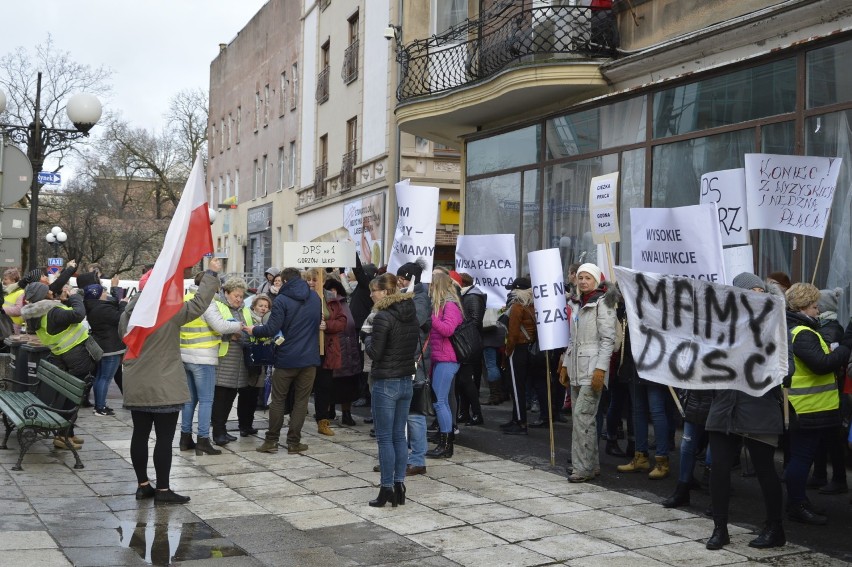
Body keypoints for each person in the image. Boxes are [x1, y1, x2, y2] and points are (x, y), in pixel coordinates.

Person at [119, 258, 221, 504]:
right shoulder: (168, 312)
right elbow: (199, 303)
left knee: (140, 435)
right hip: (164, 385)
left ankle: (143, 485)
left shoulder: (128, 312)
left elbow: (122, 338)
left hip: (136, 383)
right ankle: (163, 490)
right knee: (164, 439)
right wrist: (211, 274)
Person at [704, 272, 785, 550]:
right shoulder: (723, 326)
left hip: (758, 408)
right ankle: (719, 528)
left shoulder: (775, 326)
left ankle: (775, 528)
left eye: (757, 290)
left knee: (765, 471)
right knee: (719, 469)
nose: (754, 295)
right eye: (747, 292)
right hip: (725, 407)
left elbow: (788, 369)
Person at [783, 282, 851, 526]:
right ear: (802, 307)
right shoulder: (802, 333)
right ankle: (797, 505)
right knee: (802, 458)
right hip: (807, 408)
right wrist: (846, 346)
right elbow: (822, 363)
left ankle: (797, 501)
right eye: (814, 307)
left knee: (800, 457)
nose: (818, 312)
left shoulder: (792, 328)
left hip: (804, 407)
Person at [246, 267, 322, 454]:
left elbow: (271, 329)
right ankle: (294, 443)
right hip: (310, 359)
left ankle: (271, 441)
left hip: (286, 358)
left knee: (278, 400)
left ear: (285, 281)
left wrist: (253, 330)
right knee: (301, 401)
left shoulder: (281, 300)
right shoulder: (315, 298)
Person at [21, 279, 99, 450]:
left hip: (64, 355)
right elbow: (78, 315)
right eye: (47, 290)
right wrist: (75, 297)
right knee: (74, 397)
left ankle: (68, 433)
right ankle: (62, 435)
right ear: (44, 295)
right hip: (76, 356)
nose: (51, 290)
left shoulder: (39, 314)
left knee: (72, 395)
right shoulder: (53, 312)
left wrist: (63, 300)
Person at [365, 273, 419, 506]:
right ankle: (399, 485)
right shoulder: (411, 313)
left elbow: (375, 352)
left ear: (385, 292)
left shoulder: (382, 317)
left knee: (385, 438)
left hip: (386, 382)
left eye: (374, 291)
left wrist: (365, 339)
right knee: (398, 436)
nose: (371, 295)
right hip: (406, 380)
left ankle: (387, 488)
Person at [561, 263, 616, 483]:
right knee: (584, 420)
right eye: (580, 277)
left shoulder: (603, 302)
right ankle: (590, 465)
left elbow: (608, 339)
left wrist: (601, 370)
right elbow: (573, 339)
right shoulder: (576, 302)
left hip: (592, 368)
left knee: (583, 418)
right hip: (576, 367)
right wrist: (565, 363)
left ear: (596, 280)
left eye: (588, 278)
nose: (583, 281)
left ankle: (581, 467)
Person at [178, 273, 240, 455]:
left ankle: (185, 437)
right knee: (206, 401)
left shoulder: (185, 298)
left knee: (189, 401)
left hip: (185, 355)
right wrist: (238, 325)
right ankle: (203, 440)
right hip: (203, 357)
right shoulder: (206, 302)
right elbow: (220, 326)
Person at [806, 287, 849, 494]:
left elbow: (828, 359)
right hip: (825, 390)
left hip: (831, 390)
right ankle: (820, 474)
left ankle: (838, 478)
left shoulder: (830, 329)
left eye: (814, 305)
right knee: (823, 435)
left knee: (832, 436)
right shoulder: (822, 326)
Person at [210, 278, 256, 446]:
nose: (239, 299)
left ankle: (223, 430)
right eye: (236, 295)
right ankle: (217, 432)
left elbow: (248, 332)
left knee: (230, 397)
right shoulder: (218, 306)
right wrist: (231, 334)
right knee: (220, 398)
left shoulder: (244, 309)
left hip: (239, 360)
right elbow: (215, 329)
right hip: (224, 359)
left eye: (241, 296)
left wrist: (241, 335)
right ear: (227, 293)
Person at [395, 260, 431, 475]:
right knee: (401, 412)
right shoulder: (406, 296)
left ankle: (417, 459)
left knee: (414, 413)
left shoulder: (419, 298)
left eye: (403, 278)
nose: (400, 281)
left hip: (414, 359)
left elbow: (414, 323)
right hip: (403, 358)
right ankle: (401, 456)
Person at [426, 272, 463, 458]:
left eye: (432, 285)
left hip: (447, 358)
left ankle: (446, 444)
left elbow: (448, 330)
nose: (429, 288)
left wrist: (432, 318)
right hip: (440, 358)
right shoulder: (442, 306)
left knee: (440, 402)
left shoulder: (450, 306)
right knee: (442, 402)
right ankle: (445, 442)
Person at [305, 268, 347, 436]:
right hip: (307, 348)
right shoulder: (302, 298)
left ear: (322, 281)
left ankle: (322, 421)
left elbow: (342, 321)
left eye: (314, 279)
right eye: (308, 279)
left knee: (324, 386)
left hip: (326, 349)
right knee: (304, 386)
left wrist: (327, 325)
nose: (311, 283)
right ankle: (296, 420)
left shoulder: (332, 299)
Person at [83, 276, 127, 417]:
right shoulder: (102, 309)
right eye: (103, 292)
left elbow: (112, 303)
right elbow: (120, 317)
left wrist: (116, 290)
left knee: (100, 377)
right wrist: (124, 305)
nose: (105, 294)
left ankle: (99, 405)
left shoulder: (94, 306)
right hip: (110, 348)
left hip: (103, 345)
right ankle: (100, 407)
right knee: (105, 378)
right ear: (98, 295)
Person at [501, 277, 536, 435]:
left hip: (518, 349)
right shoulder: (531, 305)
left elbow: (513, 333)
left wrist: (508, 351)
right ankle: (516, 418)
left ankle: (521, 422)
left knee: (516, 387)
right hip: (527, 348)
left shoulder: (517, 307)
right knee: (520, 386)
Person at [323, 279, 361, 426]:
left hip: (349, 350)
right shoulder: (325, 304)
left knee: (347, 385)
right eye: (329, 290)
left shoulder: (343, 303)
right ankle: (328, 412)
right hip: (334, 349)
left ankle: (346, 413)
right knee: (330, 384)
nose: (332, 293)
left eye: (334, 290)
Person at [455, 272, 486, 425]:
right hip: (466, 342)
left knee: (466, 380)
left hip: (469, 344)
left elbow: (474, 320)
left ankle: (476, 414)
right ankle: (465, 412)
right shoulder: (467, 296)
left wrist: (459, 333)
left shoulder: (473, 297)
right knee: (462, 381)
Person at [350, 256, 378, 408]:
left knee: (363, 365)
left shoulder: (366, 284)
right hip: (355, 328)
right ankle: (361, 393)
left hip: (362, 329)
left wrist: (352, 253)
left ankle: (364, 395)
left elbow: (358, 271)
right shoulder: (362, 287)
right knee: (358, 363)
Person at [246, 294, 273, 433]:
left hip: (261, 361)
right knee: (248, 394)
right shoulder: (249, 318)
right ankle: (245, 425)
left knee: (255, 392)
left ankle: (248, 425)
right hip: (250, 360)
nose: (263, 309)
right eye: (260, 306)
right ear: (254, 306)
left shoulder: (269, 320)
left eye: (266, 306)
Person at [2, 268, 25, 334]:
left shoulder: (21, 293)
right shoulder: (5, 291)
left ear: (13, 281)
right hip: (4, 325)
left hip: (12, 327)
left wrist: (2, 310)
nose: (4, 281)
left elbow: (18, 310)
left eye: (6, 279)